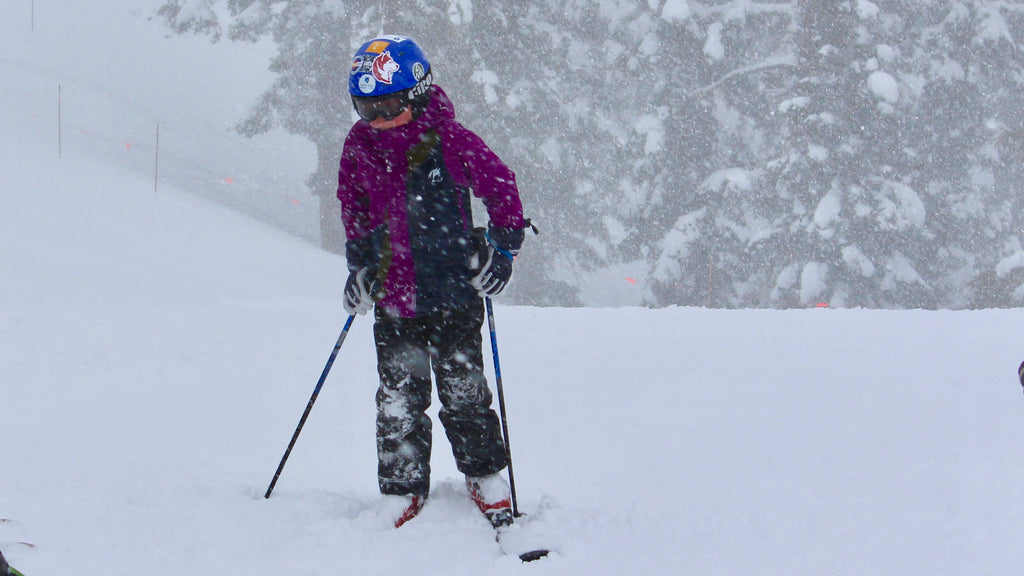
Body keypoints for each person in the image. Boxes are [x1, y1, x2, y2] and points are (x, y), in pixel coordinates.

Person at [336, 35, 528, 529]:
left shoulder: (448, 139)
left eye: (387, 105)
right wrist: (358, 266)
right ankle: (402, 487)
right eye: (364, 106)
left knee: (464, 392)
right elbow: (353, 208)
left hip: (453, 294)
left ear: (417, 94)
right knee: (398, 399)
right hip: (394, 297)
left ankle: (485, 476)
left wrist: (502, 250)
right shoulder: (360, 146)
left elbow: (501, 186)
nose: (375, 119)